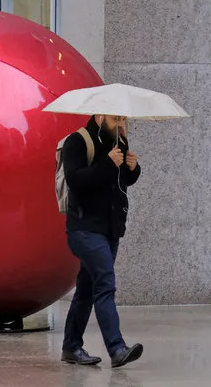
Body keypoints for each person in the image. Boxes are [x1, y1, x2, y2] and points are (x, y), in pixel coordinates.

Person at [60, 114, 144, 368]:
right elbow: (75, 180)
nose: (121, 124)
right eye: (116, 118)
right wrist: (108, 163)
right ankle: (117, 348)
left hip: (110, 230)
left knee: (86, 290)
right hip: (83, 229)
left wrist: (132, 169)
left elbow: (120, 183)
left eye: (124, 119)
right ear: (100, 116)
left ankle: (71, 347)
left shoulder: (119, 143)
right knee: (105, 283)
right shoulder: (76, 141)